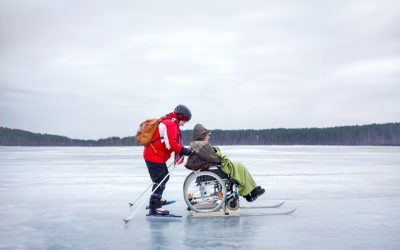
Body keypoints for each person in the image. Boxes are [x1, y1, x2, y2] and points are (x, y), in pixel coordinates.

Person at [185, 123, 265, 202]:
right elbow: (213, 158)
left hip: (208, 167)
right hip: (212, 169)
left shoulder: (197, 144)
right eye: (207, 135)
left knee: (239, 167)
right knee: (240, 166)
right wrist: (222, 158)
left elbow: (209, 157)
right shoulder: (202, 145)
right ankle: (250, 191)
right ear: (202, 136)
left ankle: (249, 192)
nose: (208, 137)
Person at [144, 104, 192, 215]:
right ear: (180, 116)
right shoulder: (170, 124)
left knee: (164, 177)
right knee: (160, 180)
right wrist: (186, 151)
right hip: (154, 156)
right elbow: (172, 145)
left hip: (156, 156)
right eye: (185, 121)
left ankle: (157, 200)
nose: (184, 124)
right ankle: (154, 206)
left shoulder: (170, 122)